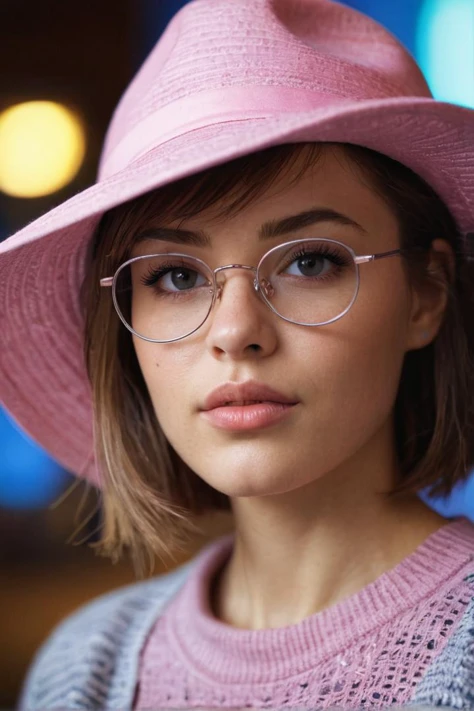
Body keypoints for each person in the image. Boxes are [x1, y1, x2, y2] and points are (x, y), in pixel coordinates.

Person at [1, 0, 474, 708]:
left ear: (425, 293)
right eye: (177, 276)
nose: (235, 331)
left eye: (310, 261)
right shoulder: (84, 668)